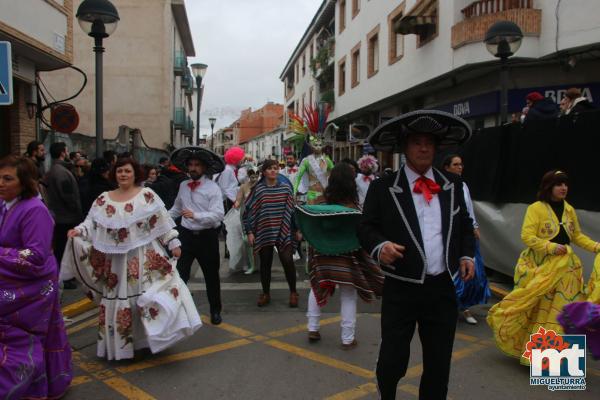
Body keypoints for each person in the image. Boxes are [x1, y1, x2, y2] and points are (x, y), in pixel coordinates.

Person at [358, 110, 475, 400]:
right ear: (404, 147)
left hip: (442, 288)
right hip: (402, 287)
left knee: (438, 364)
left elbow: (463, 225)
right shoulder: (383, 187)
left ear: (437, 148)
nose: (423, 148)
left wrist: (466, 256)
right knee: (392, 361)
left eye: (429, 143)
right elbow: (365, 227)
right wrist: (379, 246)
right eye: (416, 142)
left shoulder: (452, 184)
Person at [63, 157, 201, 360]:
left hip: (144, 257)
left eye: (127, 171)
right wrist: (78, 231)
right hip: (116, 262)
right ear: (114, 174)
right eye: (119, 171)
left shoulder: (147, 195)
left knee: (146, 296)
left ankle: (149, 341)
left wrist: (173, 242)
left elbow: (162, 220)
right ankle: (126, 346)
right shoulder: (104, 199)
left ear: (135, 174)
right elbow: (91, 222)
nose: (123, 175)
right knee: (122, 298)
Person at [487, 170, 600, 365]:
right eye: (558, 184)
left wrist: (597, 246)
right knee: (538, 309)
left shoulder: (569, 209)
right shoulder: (536, 208)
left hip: (567, 269)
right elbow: (527, 236)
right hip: (542, 268)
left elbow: (577, 236)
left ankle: (558, 359)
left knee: (561, 311)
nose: (563, 188)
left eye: (565, 184)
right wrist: (550, 246)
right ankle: (538, 357)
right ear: (549, 187)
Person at [0, 155, 72, 398]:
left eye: (7, 179)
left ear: (24, 182)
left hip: (33, 287)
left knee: (20, 339)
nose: (0, 183)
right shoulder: (4, 205)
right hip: (13, 279)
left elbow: (35, 255)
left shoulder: (35, 210)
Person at [297, 163, 383, 349]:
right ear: (351, 184)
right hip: (346, 258)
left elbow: (311, 228)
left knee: (316, 287)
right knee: (348, 295)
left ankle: (313, 328)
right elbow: (362, 234)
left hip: (322, 255)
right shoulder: (356, 209)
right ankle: (347, 338)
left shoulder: (320, 204)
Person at [169, 148, 225, 325]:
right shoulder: (183, 185)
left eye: (197, 165)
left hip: (207, 237)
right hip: (186, 236)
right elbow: (176, 209)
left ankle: (215, 310)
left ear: (204, 168)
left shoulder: (213, 188)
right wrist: (161, 220)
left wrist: (196, 215)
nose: (193, 168)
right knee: (180, 276)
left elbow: (218, 215)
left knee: (211, 277)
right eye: (191, 165)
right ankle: (179, 311)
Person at [243, 159, 300, 307]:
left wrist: (298, 229)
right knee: (265, 263)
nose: (273, 171)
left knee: (287, 260)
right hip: (264, 229)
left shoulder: (286, 188)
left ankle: (293, 292)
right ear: (264, 172)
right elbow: (249, 211)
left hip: (284, 229)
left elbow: (293, 212)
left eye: (276, 168)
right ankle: (266, 293)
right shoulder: (259, 189)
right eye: (270, 169)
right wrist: (249, 231)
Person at [442, 154, 490, 325]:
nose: (460, 167)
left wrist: (474, 226)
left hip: (466, 234)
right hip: (450, 237)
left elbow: (468, 209)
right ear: (447, 167)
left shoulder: (463, 185)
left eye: (461, 164)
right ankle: (449, 307)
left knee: (472, 273)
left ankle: (465, 307)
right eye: (456, 164)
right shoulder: (442, 186)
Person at [45, 141, 83, 289]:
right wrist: (75, 210)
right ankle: (64, 278)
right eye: (67, 151)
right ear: (62, 153)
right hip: (65, 217)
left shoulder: (56, 170)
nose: (68, 153)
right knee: (63, 249)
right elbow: (67, 196)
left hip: (63, 216)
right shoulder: (60, 172)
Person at [294, 136, 334, 205]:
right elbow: (298, 177)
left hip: (325, 194)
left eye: (320, 145)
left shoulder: (327, 160)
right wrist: (294, 192)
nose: (318, 147)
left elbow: (336, 174)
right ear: (311, 146)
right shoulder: (306, 161)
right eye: (315, 145)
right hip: (312, 194)